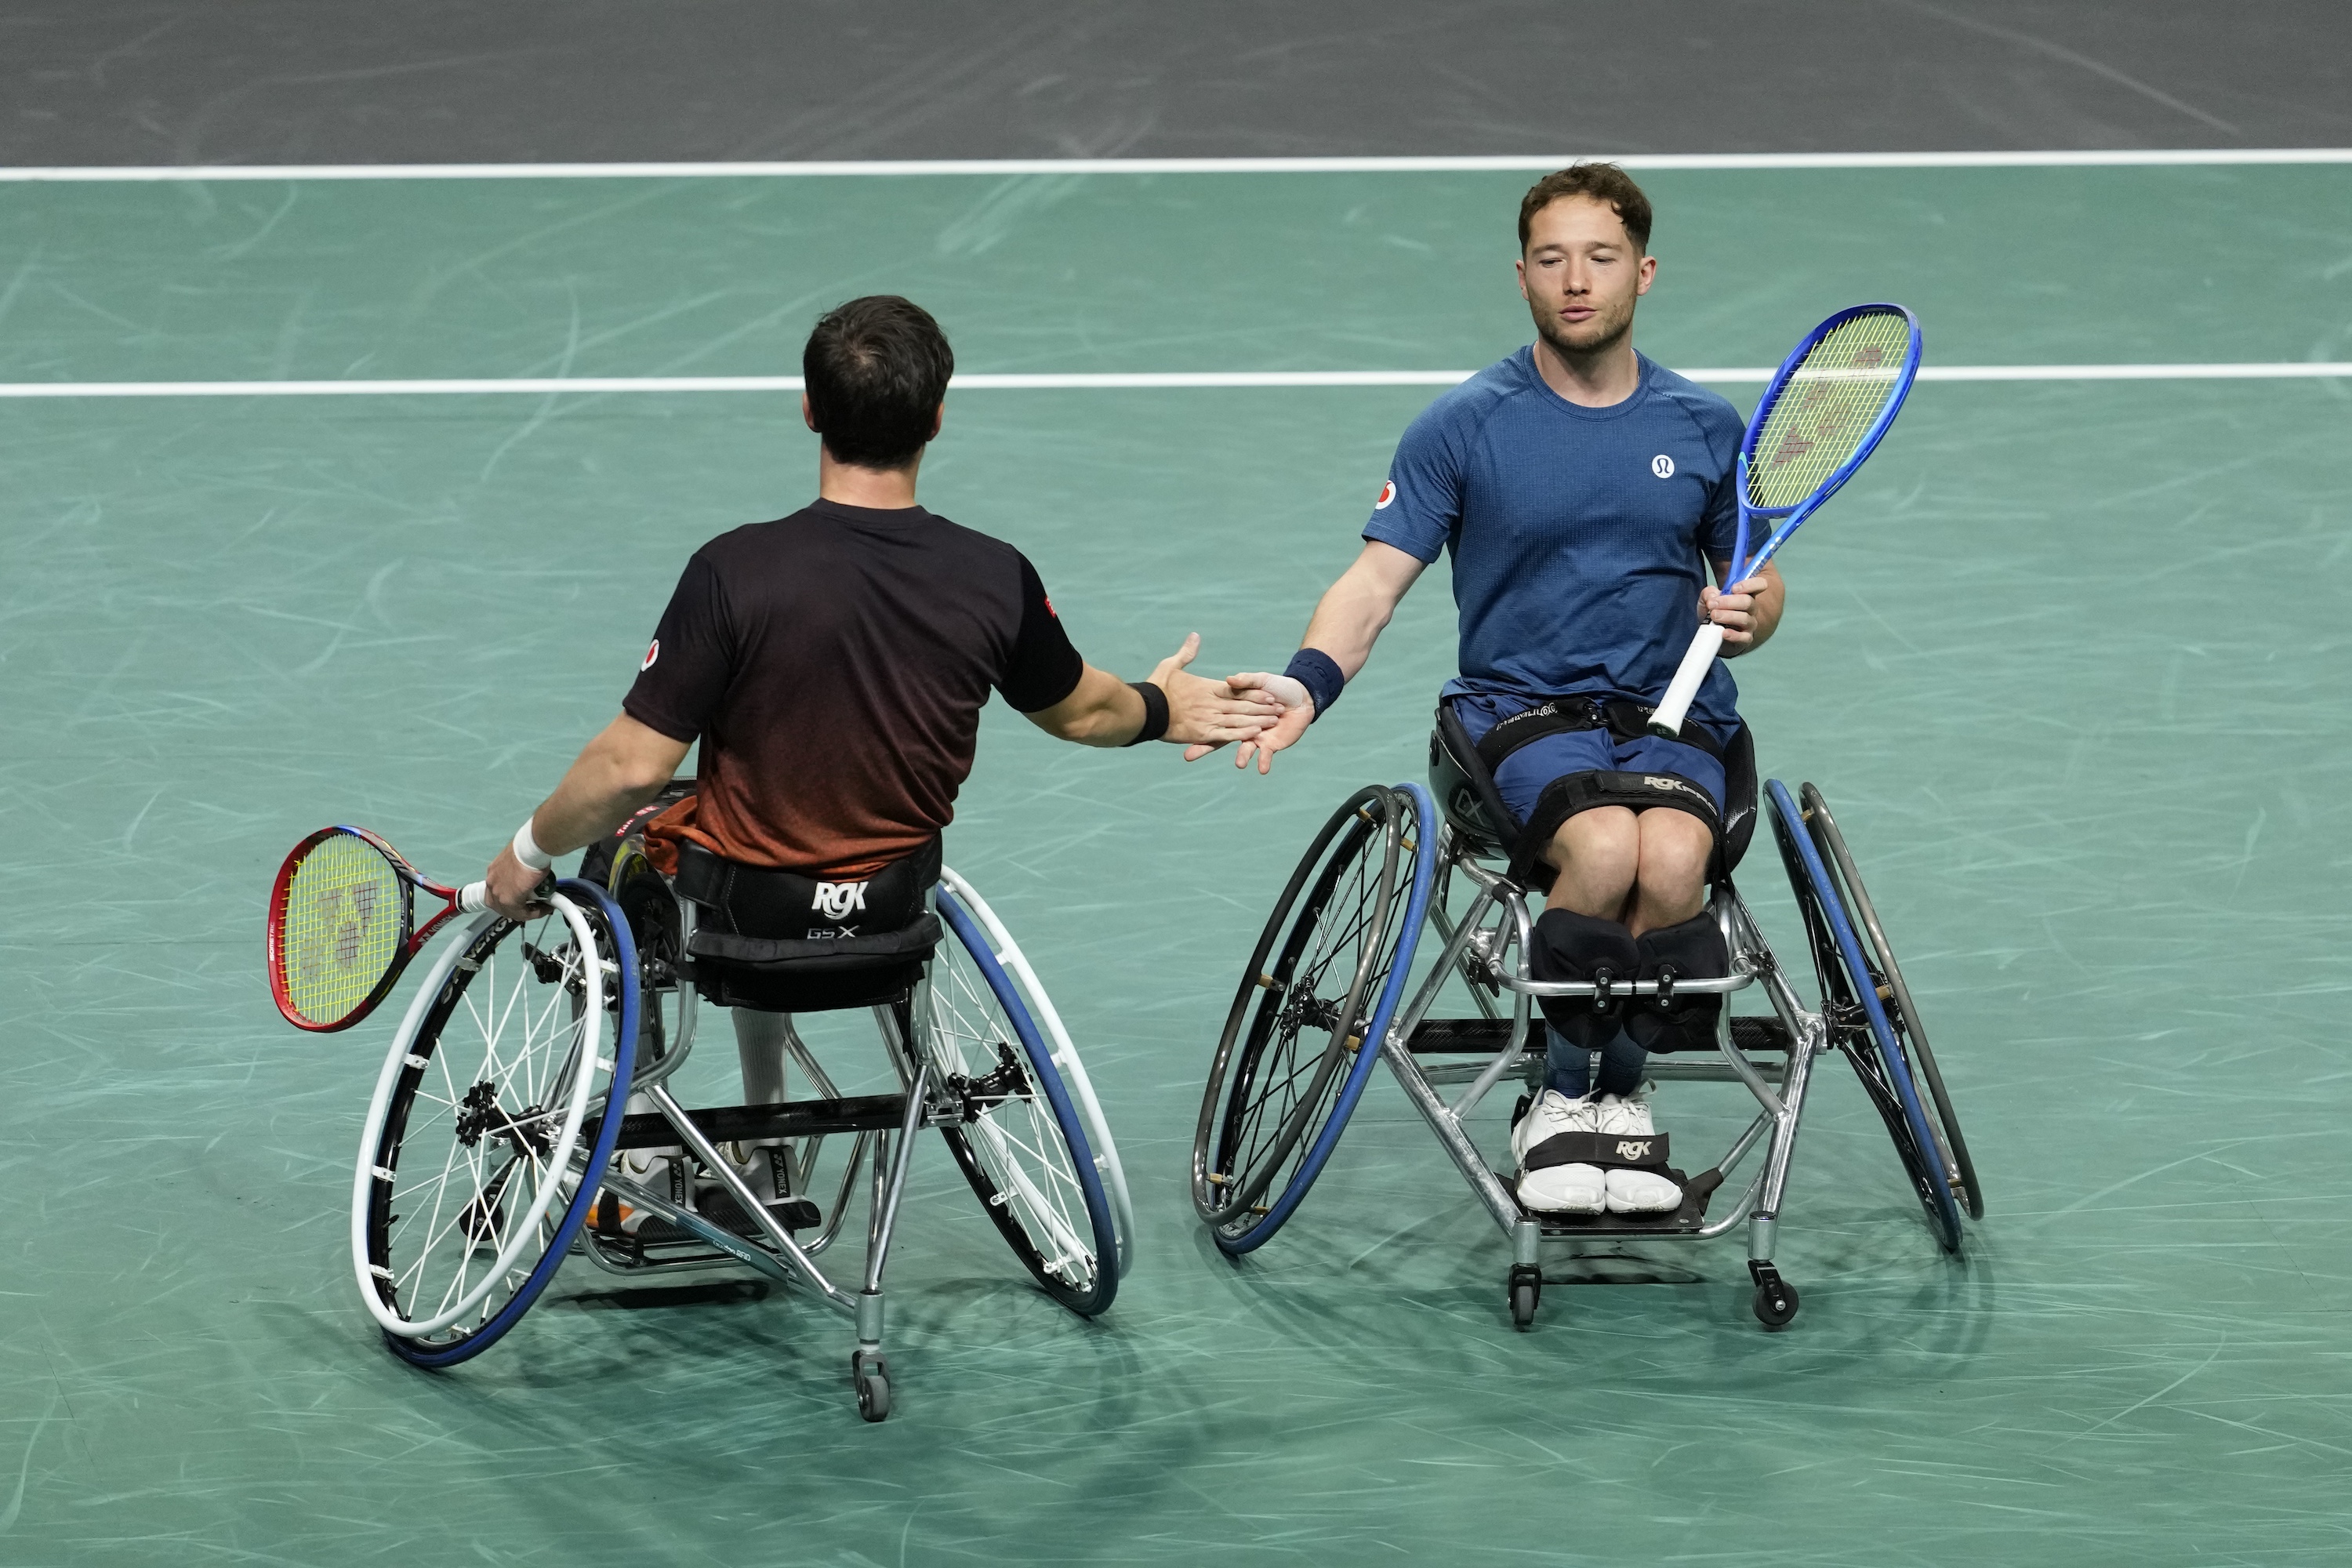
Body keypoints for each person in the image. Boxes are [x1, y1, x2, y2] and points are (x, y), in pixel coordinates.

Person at [480, 294, 1279, 1232]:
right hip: (896, 921)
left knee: (624, 844)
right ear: (936, 418)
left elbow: (628, 769)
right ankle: (765, 1134)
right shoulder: (993, 575)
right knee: (751, 819)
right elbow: (1088, 710)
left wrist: (527, 851)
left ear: (809, 409)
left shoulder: (734, 571)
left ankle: (645, 1141)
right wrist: (1161, 707)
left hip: (746, 925)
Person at [1203, 165, 1784, 1218]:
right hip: (1520, 716)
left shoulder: (1703, 426)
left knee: (1676, 854)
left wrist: (1756, 611)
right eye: (1552, 259)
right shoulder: (1464, 425)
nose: (1576, 281)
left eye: (1600, 258)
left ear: (1642, 273)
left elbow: (1757, 580)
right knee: (1606, 846)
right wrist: (1306, 684)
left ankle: (1623, 1099)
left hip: (1675, 714)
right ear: (1521, 276)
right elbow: (1376, 579)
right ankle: (1561, 1101)